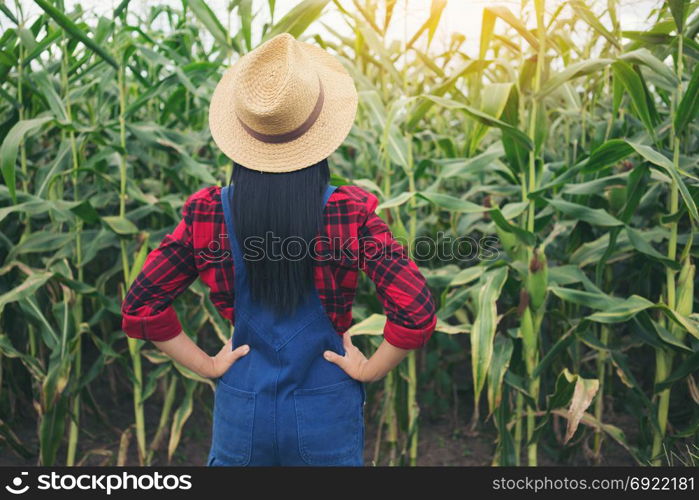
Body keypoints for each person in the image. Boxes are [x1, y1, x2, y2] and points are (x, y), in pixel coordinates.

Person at [121, 33, 436, 466]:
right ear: (320, 133)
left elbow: (141, 308)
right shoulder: (348, 214)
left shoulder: (209, 214)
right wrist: (370, 368)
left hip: (241, 408)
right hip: (324, 406)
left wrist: (209, 366)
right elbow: (416, 309)